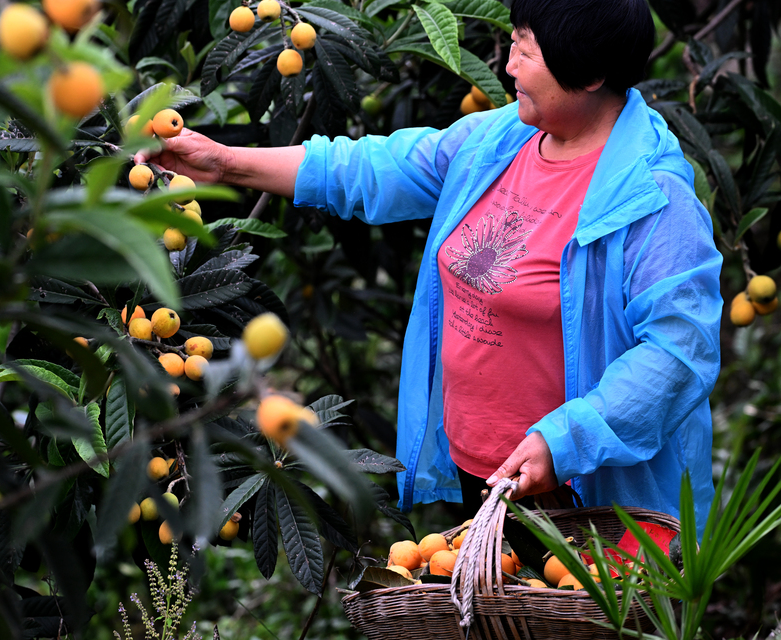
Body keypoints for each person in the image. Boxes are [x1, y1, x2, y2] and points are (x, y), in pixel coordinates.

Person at [135, 0, 723, 536]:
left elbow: (677, 350)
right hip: (488, 474)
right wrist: (224, 161)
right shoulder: (498, 141)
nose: (509, 62)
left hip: (590, 490)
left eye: (527, 47)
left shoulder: (654, 198)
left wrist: (564, 441)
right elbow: (370, 168)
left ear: (591, 74)